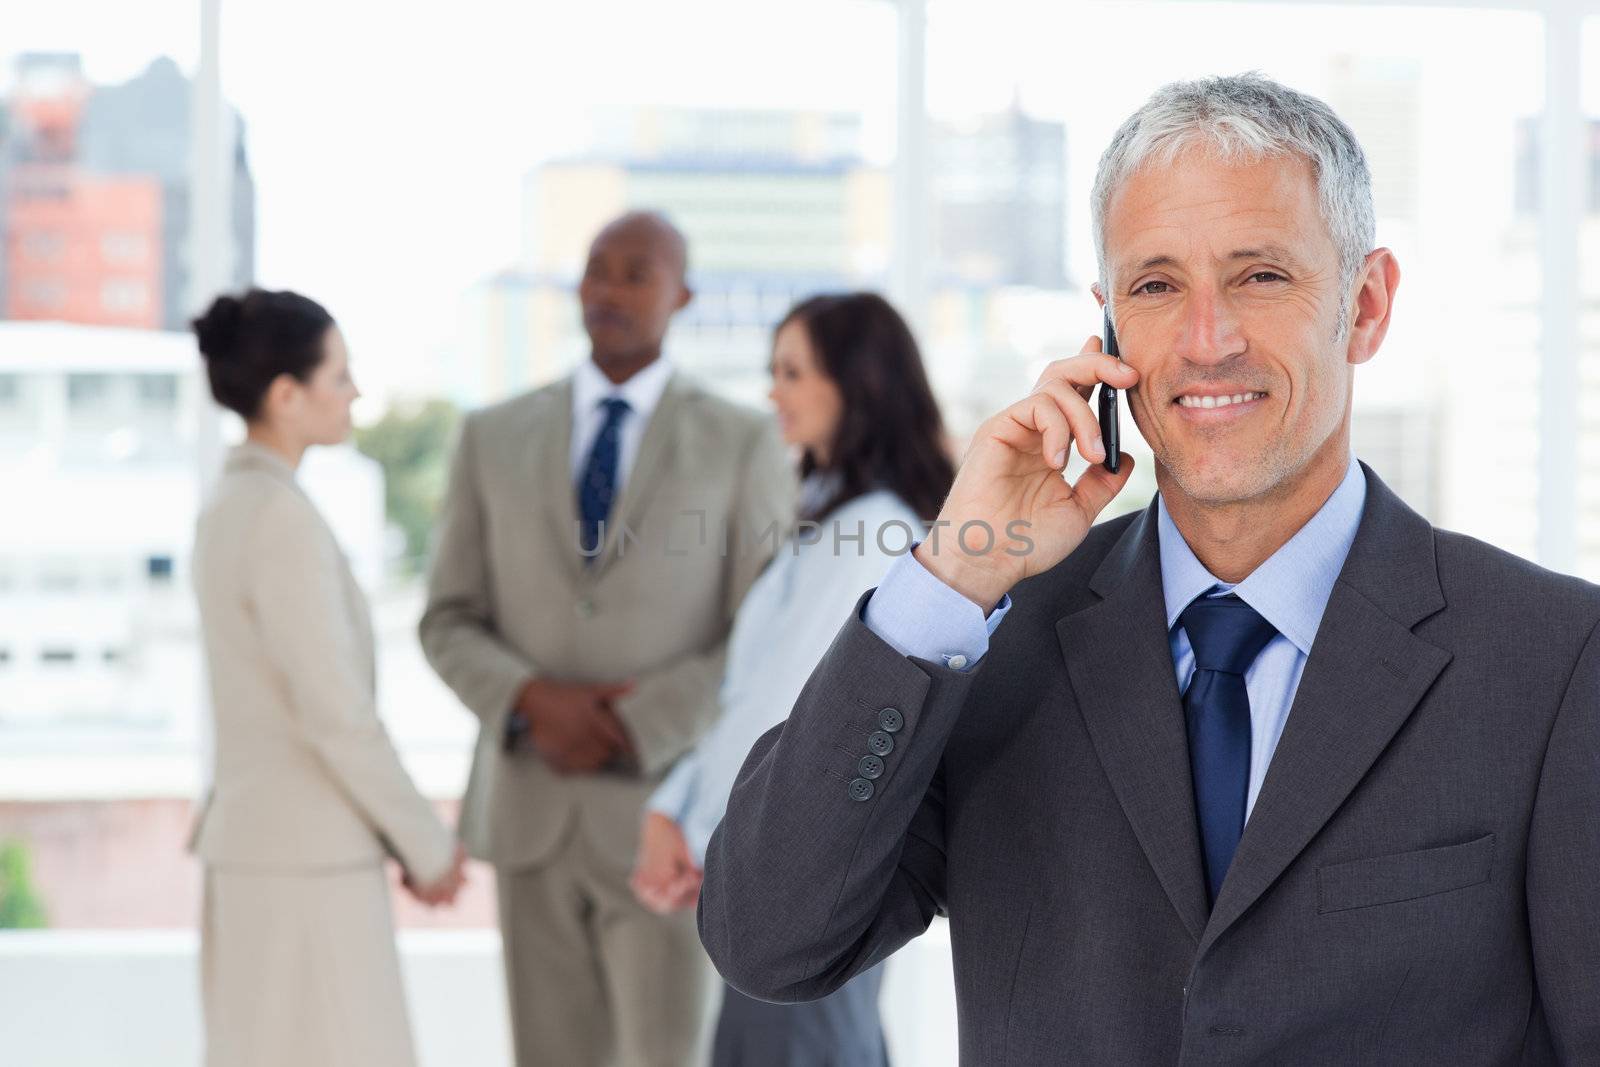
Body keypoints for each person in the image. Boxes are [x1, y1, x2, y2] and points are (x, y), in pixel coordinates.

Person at [698, 74, 1600, 1065]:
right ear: (1108, 328)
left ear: (1366, 304)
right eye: (1157, 285)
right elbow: (768, 940)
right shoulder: (985, 646)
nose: (1206, 342)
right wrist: (954, 569)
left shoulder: (1553, 661)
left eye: (1260, 275)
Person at [420, 211, 796, 1067]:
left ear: (682, 294)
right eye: (597, 269)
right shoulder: (490, 435)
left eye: (637, 272)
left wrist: (640, 722)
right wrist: (528, 701)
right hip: (528, 804)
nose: (611, 290)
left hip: (666, 813)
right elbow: (446, 616)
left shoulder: (742, 442)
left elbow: (763, 638)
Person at [632, 292, 953, 1066]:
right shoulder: (834, 518)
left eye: (792, 371)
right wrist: (676, 809)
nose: (773, 391)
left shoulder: (871, 530)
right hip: (787, 874)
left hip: (794, 878)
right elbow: (755, 701)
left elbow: (789, 716)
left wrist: (685, 823)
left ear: (858, 385)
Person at [189, 288, 467, 1067]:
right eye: (339, 376)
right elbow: (335, 712)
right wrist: (427, 844)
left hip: (265, 852)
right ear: (286, 395)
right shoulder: (277, 517)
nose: (354, 394)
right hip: (303, 867)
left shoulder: (232, 502)